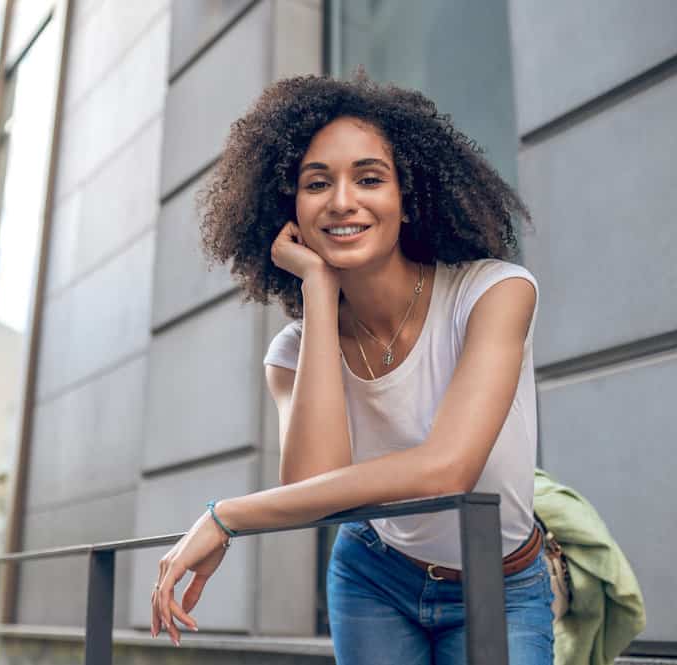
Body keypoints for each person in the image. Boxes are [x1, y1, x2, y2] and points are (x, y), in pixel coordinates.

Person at [150, 73, 554, 664]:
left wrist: (228, 516)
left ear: (407, 197)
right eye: (317, 184)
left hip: (503, 584)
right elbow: (316, 485)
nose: (342, 201)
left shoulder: (492, 294)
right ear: (288, 209)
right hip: (374, 579)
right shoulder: (293, 353)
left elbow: (446, 471)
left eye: (369, 178)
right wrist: (318, 286)